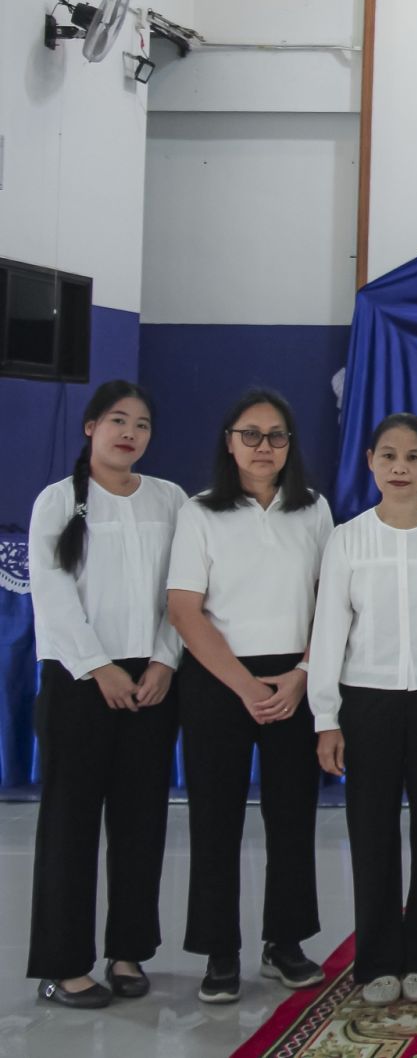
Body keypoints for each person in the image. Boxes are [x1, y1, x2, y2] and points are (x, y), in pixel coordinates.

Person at [167, 388, 334, 1003]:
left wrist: (302, 674)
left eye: (277, 435)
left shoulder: (313, 508)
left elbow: (331, 602)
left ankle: (285, 942)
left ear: (291, 444)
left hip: (295, 680)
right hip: (218, 681)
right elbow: (184, 609)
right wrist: (242, 684)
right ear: (229, 442)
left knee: (292, 816)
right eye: (251, 434)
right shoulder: (200, 512)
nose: (265, 446)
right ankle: (219, 950)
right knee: (215, 819)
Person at [308, 413, 417, 1006]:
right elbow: (329, 632)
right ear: (370, 462)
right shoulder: (347, 538)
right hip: (366, 702)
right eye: (388, 456)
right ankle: (378, 958)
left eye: (413, 456)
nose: (400, 468)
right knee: (371, 830)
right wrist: (326, 718)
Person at [26, 381, 187, 1008]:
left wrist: (165, 660)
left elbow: (184, 591)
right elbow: (52, 593)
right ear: (91, 426)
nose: (130, 433)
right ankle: (63, 966)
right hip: (78, 680)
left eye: (142, 424)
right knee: (70, 825)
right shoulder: (57, 500)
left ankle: (129, 952)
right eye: (118, 420)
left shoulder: (170, 498)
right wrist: (99, 668)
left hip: (152, 681)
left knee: (141, 821)